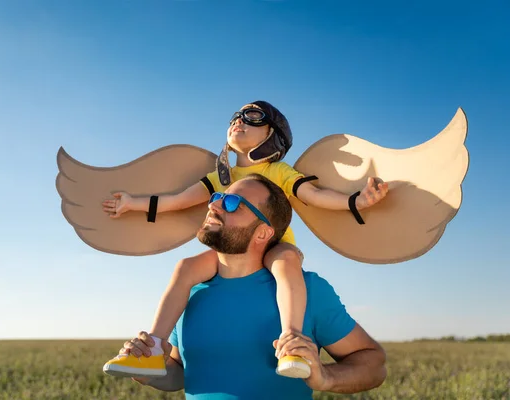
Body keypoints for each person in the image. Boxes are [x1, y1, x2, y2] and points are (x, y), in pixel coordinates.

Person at [102, 101, 388, 379]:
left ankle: (292, 342)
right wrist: (132, 203)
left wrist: (356, 202)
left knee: (287, 260)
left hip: (275, 244)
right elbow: (179, 200)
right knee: (185, 267)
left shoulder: (279, 171)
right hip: (232, 251)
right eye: (236, 116)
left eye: (252, 116)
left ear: (273, 134)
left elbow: (313, 195)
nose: (239, 120)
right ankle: (153, 347)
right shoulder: (220, 177)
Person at [108, 174, 387, 399]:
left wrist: (326, 377)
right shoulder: (190, 292)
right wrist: (148, 374)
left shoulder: (307, 290)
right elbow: (181, 373)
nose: (213, 205)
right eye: (218, 198)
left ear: (263, 232)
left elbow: (373, 363)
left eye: (233, 204)